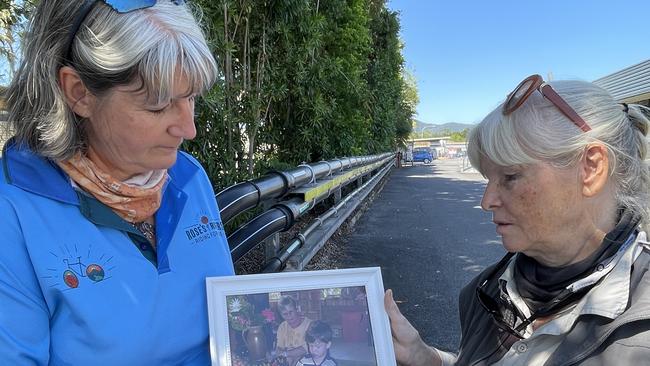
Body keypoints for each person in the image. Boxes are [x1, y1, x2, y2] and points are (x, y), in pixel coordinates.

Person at [0, 0, 234, 364]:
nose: (189, 129)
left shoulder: (188, 178)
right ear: (79, 94)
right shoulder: (13, 215)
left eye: (190, 97)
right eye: (157, 106)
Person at [385, 74, 650, 365]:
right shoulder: (486, 292)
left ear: (591, 168)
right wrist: (423, 357)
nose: (487, 202)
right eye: (488, 179)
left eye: (510, 176)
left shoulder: (640, 332)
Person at [276, 295, 313, 365]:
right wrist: (285, 356)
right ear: (281, 315)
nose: (289, 316)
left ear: (296, 309)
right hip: (287, 359)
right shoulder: (282, 327)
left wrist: (286, 354)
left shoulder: (309, 324)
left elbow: (307, 348)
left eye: (291, 312)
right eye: (285, 314)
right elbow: (279, 348)